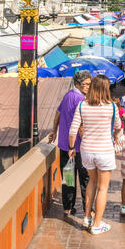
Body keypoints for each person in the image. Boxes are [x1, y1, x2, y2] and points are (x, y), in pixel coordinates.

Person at [68, 75, 121, 235]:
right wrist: (116, 135)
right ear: (106, 89)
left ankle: (86, 217)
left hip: (86, 151)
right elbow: (118, 126)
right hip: (104, 151)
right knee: (103, 187)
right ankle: (97, 224)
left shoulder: (82, 105)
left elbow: (73, 130)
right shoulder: (111, 107)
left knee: (91, 181)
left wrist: (71, 147)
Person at [48, 70, 92, 216]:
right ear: (78, 84)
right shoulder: (81, 100)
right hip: (78, 147)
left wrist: (54, 130)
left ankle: (67, 207)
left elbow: (58, 114)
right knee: (85, 179)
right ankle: (88, 209)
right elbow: (81, 126)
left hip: (64, 145)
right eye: (86, 84)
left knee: (69, 179)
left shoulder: (68, 95)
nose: (89, 86)